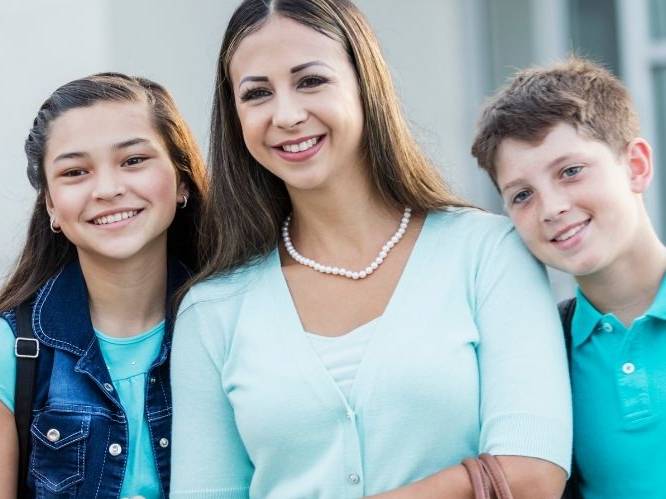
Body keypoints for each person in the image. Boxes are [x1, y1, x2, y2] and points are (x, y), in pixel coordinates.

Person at [170, 1, 572, 498]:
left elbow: (534, 475)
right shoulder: (211, 312)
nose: (288, 114)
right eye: (257, 94)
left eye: (311, 81)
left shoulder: (488, 253)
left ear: (364, 83)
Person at [0, 73, 207, 498]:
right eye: (76, 172)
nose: (108, 190)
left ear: (182, 179)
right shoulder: (11, 348)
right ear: (51, 205)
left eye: (133, 161)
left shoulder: (234, 322)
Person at [471, 57, 666, 499]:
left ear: (635, 166)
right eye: (522, 195)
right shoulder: (534, 359)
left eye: (570, 171)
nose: (552, 207)